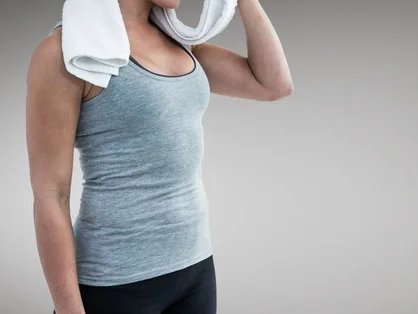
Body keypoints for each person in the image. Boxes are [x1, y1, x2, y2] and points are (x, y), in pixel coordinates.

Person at [25, 0, 293, 313]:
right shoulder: (65, 52)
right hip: (115, 282)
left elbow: (274, 84)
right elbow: (51, 196)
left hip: (196, 268)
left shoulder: (181, 43)